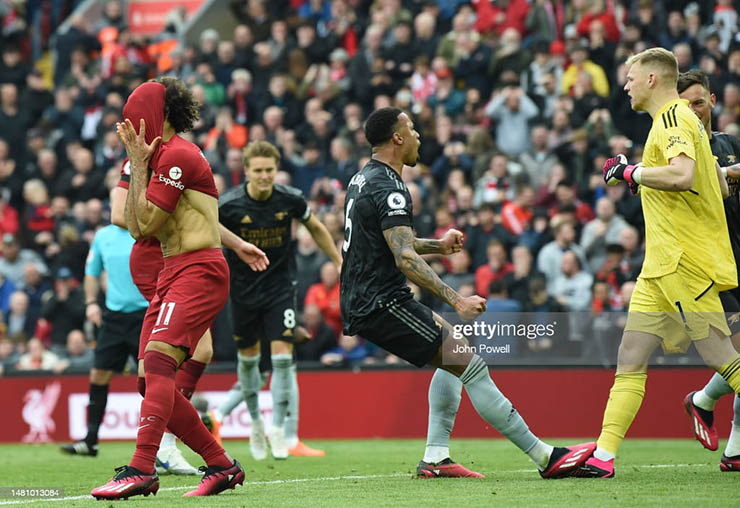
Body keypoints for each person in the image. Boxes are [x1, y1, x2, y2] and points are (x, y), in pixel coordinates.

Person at [341, 107, 595, 479]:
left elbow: (396, 241)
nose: (418, 136)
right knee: (471, 366)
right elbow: (403, 256)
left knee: (455, 355)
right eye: (411, 129)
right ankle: (545, 457)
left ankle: (436, 457)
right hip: (380, 301)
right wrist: (456, 299)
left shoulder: (365, 178)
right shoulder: (390, 186)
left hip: (374, 296)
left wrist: (439, 246)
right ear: (397, 138)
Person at [571, 48, 740, 479]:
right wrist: (647, 176)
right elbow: (717, 185)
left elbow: (683, 177)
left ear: (651, 79)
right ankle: (604, 456)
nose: (625, 85)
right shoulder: (686, 123)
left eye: (630, 77)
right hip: (659, 266)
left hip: (683, 263)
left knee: (725, 360)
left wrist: (632, 173)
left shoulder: (672, 118)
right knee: (630, 357)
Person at [91, 79, 249, 500]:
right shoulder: (155, 156)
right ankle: (221, 464)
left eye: (133, 113)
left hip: (199, 269)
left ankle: (141, 468)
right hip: (172, 271)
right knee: (149, 380)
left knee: (160, 364)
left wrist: (137, 166)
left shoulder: (177, 155)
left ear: (155, 114)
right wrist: (138, 164)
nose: (128, 123)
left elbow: (146, 224)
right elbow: (136, 224)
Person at [218, 140, 342, 460]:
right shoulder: (229, 205)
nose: (264, 176)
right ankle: (256, 423)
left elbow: (315, 227)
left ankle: (278, 429)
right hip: (243, 291)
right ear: (246, 171)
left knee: (283, 357)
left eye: (269, 170)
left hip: (280, 288)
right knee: (248, 361)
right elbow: (208, 231)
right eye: (258, 171)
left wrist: (337, 261)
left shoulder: (290, 199)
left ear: (276, 170)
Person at [677, 69, 740, 471]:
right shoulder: (676, 152)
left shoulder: (730, 143)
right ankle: (732, 443)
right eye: (684, 106)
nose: (694, 112)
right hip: (707, 268)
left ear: (713, 101)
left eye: (699, 103)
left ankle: (705, 404)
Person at [60, 219, 149, 457]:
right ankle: (91, 440)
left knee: (150, 379)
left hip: (146, 313)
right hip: (114, 316)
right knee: (99, 374)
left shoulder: (147, 228)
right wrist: (91, 303)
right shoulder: (102, 236)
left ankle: (159, 445)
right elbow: (91, 272)